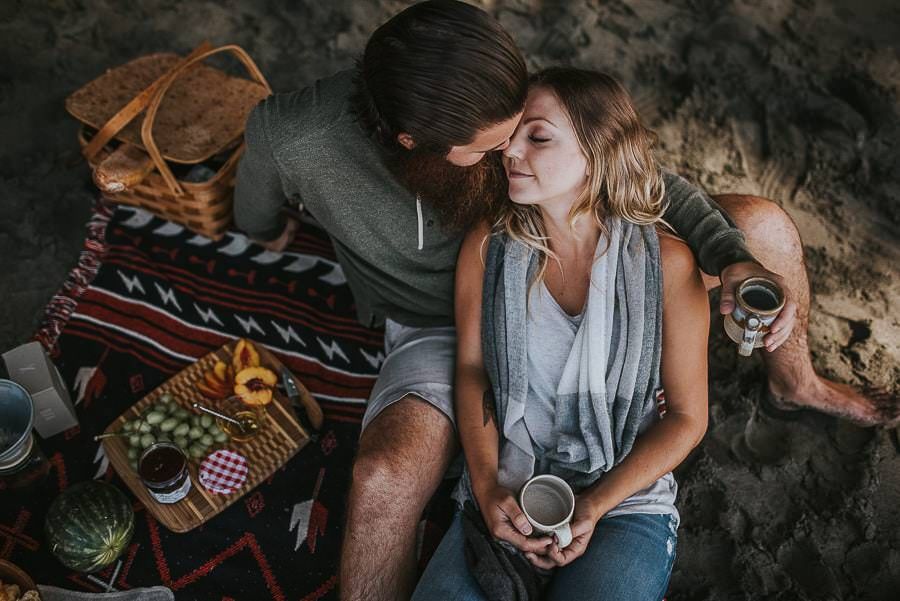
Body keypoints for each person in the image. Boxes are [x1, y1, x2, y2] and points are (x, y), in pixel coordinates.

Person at [233, 2, 895, 598]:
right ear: (416, 146)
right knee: (381, 476)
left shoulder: (486, 88)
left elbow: (621, 164)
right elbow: (257, 220)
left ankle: (797, 382)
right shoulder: (296, 141)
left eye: (526, 131)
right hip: (447, 314)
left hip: (571, 238)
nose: (508, 155)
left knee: (767, 228)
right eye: (494, 147)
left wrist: (726, 256)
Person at [412, 65, 707, 601]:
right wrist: (485, 486)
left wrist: (594, 506)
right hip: (511, 484)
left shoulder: (666, 266)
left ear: (599, 152)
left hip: (623, 498)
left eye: (538, 136)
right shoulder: (489, 245)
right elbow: (474, 370)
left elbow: (687, 420)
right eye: (512, 135)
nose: (509, 152)